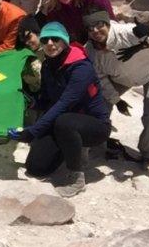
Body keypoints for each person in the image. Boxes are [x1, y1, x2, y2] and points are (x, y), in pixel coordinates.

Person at [7, 22, 111, 197]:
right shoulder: (48, 65)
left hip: (94, 126)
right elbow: (47, 100)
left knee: (65, 122)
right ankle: (70, 148)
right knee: (36, 168)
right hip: (62, 123)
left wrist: (33, 132)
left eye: (55, 39)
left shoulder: (81, 68)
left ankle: (76, 177)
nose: (49, 43)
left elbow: (64, 103)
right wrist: (31, 103)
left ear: (65, 42)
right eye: (45, 39)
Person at [84, 11, 149, 174]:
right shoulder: (91, 52)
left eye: (99, 25)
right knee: (98, 105)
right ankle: (97, 146)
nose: (96, 31)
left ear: (108, 24)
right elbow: (101, 79)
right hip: (121, 79)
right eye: (90, 29)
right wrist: (117, 100)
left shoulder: (127, 32)